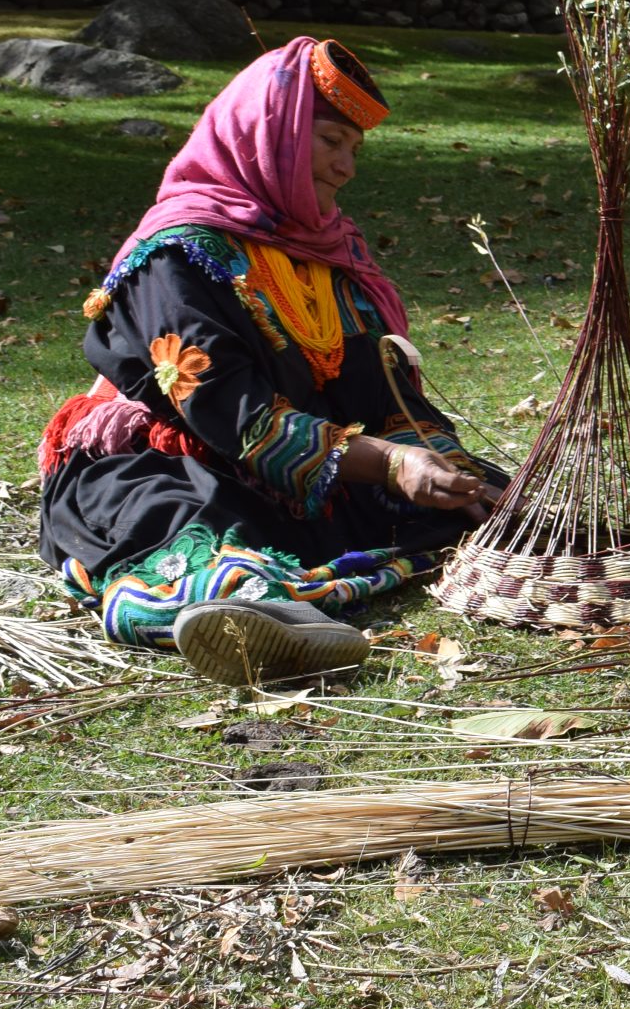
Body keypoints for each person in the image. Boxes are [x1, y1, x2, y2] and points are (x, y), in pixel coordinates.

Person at [37, 37, 504, 687]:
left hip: (302, 466)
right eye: (331, 140)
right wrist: (392, 464)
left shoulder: (326, 255)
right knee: (204, 541)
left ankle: (281, 608)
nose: (346, 167)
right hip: (172, 458)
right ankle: (249, 621)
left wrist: (436, 464)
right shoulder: (176, 255)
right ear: (271, 132)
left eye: (354, 150)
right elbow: (237, 416)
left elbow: (382, 392)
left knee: (486, 503)